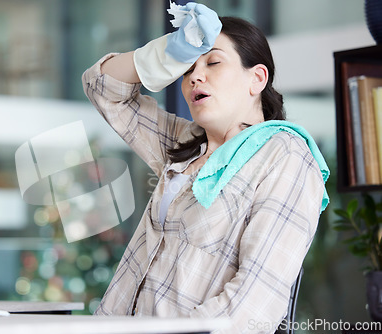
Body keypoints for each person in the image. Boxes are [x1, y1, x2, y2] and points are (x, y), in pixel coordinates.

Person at [82, 2, 329, 333]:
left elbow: (253, 304)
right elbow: (102, 88)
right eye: (187, 69)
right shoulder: (184, 145)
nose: (195, 76)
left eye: (213, 62)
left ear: (257, 79)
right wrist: (166, 53)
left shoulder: (284, 156)